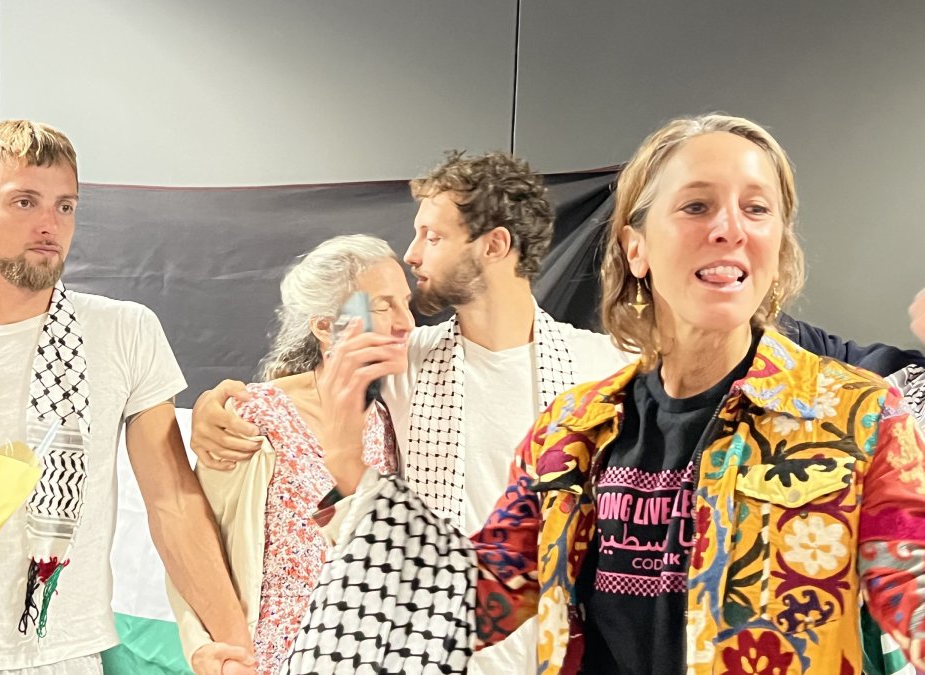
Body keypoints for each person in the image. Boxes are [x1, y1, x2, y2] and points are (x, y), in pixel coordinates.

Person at [301, 113, 925, 673]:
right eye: (697, 206)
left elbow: (913, 592)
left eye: (757, 209)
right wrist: (352, 473)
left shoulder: (856, 417)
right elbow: (475, 601)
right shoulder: (571, 429)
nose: (731, 228)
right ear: (636, 247)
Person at [0, 120, 251, 674]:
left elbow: (173, 502)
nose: (49, 224)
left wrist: (239, 644)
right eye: (25, 202)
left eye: (65, 206)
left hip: (63, 654)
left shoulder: (125, 331)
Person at [191, 150, 630, 674]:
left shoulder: (602, 365)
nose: (413, 253)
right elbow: (320, 363)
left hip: (556, 650)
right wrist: (216, 403)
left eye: (432, 236)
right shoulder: (404, 355)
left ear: (494, 245)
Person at [168, 234, 407, 674]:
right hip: (276, 660)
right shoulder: (255, 414)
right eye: (382, 306)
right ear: (324, 326)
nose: (406, 322)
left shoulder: (392, 416)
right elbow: (195, 540)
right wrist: (205, 647)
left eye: (406, 303)